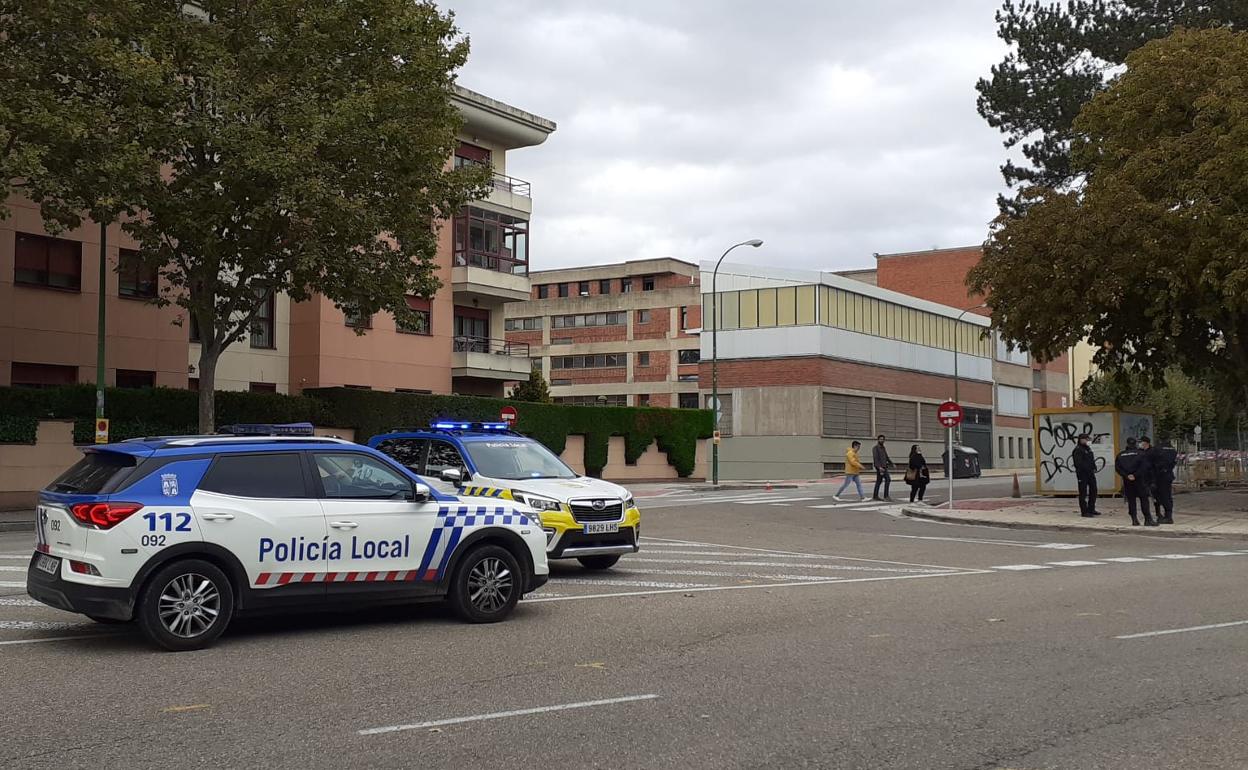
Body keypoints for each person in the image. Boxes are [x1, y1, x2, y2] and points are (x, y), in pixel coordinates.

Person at [1115, 437, 1155, 526]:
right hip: (1140, 480)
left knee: (1131, 500)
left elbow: (1118, 468)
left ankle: (1134, 519)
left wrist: (1126, 475)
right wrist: (1135, 475)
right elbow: (1145, 467)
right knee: (1144, 499)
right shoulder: (1141, 454)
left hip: (1127, 481)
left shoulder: (1120, 455)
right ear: (1135, 444)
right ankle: (1148, 519)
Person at [1145, 437, 1178, 524]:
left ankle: (1165, 516)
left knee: (1159, 496)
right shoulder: (1173, 450)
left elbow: (1149, 462)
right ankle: (1167, 514)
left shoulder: (1156, 449)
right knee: (1167, 495)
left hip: (1158, 476)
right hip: (1168, 475)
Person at [1071, 434, 1100, 518]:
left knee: (1094, 490)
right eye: (1085, 439)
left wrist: (1094, 466)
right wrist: (1087, 468)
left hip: (1090, 473)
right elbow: (1078, 463)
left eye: (1087, 439)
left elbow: (1091, 459)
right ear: (1080, 440)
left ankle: (1091, 508)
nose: (1086, 441)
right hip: (1082, 474)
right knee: (1083, 493)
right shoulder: (1078, 450)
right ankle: (1084, 511)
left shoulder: (1088, 448)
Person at [872, 434, 893, 501]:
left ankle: (875, 496)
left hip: (884, 466)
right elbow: (875, 458)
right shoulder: (875, 448)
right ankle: (886, 496)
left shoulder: (883, 448)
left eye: (883, 439)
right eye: (880, 439)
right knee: (888, 479)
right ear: (878, 440)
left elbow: (886, 457)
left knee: (879, 481)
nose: (882, 440)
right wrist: (879, 467)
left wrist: (891, 463)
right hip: (880, 468)